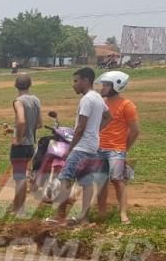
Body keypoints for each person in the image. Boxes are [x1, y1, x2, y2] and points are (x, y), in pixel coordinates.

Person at [47, 67, 111, 226]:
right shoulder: (98, 97)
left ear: (86, 80)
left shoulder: (87, 99)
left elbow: (80, 127)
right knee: (86, 181)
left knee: (65, 178)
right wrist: (95, 131)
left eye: (76, 81)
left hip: (81, 147)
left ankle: (60, 215)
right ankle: (84, 218)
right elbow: (108, 117)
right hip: (92, 146)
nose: (73, 84)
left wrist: (70, 149)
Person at [96, 71, 140, 225]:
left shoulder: (127, 105)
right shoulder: (101, 104)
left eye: (106, 85)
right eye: (103, 85)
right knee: (101, 181)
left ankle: (123, 214)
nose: (102, 88)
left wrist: (124, 148)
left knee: (117, 180)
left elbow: (135, 130)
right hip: (99, 148)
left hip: (116, 149)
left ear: (116, 86)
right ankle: (101, 212)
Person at [9, 73, 42, 216]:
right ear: (30, 85)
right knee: (21, 177)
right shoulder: (35, 100)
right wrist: (16, 130)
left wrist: (18, 138)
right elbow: (39, 123)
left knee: (20, 179)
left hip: (20, 147)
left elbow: (21, 121)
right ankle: (15, 207)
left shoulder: (18, 101)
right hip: (30, 146)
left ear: (16, 85)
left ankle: (20, 210)